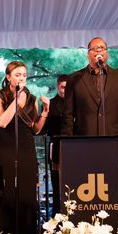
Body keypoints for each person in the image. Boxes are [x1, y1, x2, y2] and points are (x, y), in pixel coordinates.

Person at [0, 61, 49, 234]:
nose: (22, 78)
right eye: (17, 74)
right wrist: (17, 101)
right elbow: (1, 122)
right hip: (6, 146)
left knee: (27, 192)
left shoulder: (30, 98)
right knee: (10, 192)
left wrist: (46, 110)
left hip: (26, 146)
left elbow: (35, 129)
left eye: (24, 74)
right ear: (8, 77)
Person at [62, 37, 118, 142]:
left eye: (102, 48)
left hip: (113, 141)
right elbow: (67, 116)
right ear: (88, 54)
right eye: (94, 48)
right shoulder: (74, 78)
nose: (99, 50)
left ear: (107, 53)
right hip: (83, 141)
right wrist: (68, 142)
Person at [44, 74, 67, 215]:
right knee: (57, 185)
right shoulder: (51, 104)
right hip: (57, 148)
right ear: (58, 86)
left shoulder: (77, 103)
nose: (66, 90)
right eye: (63, 87)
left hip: (76, 149)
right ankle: (57, 215)